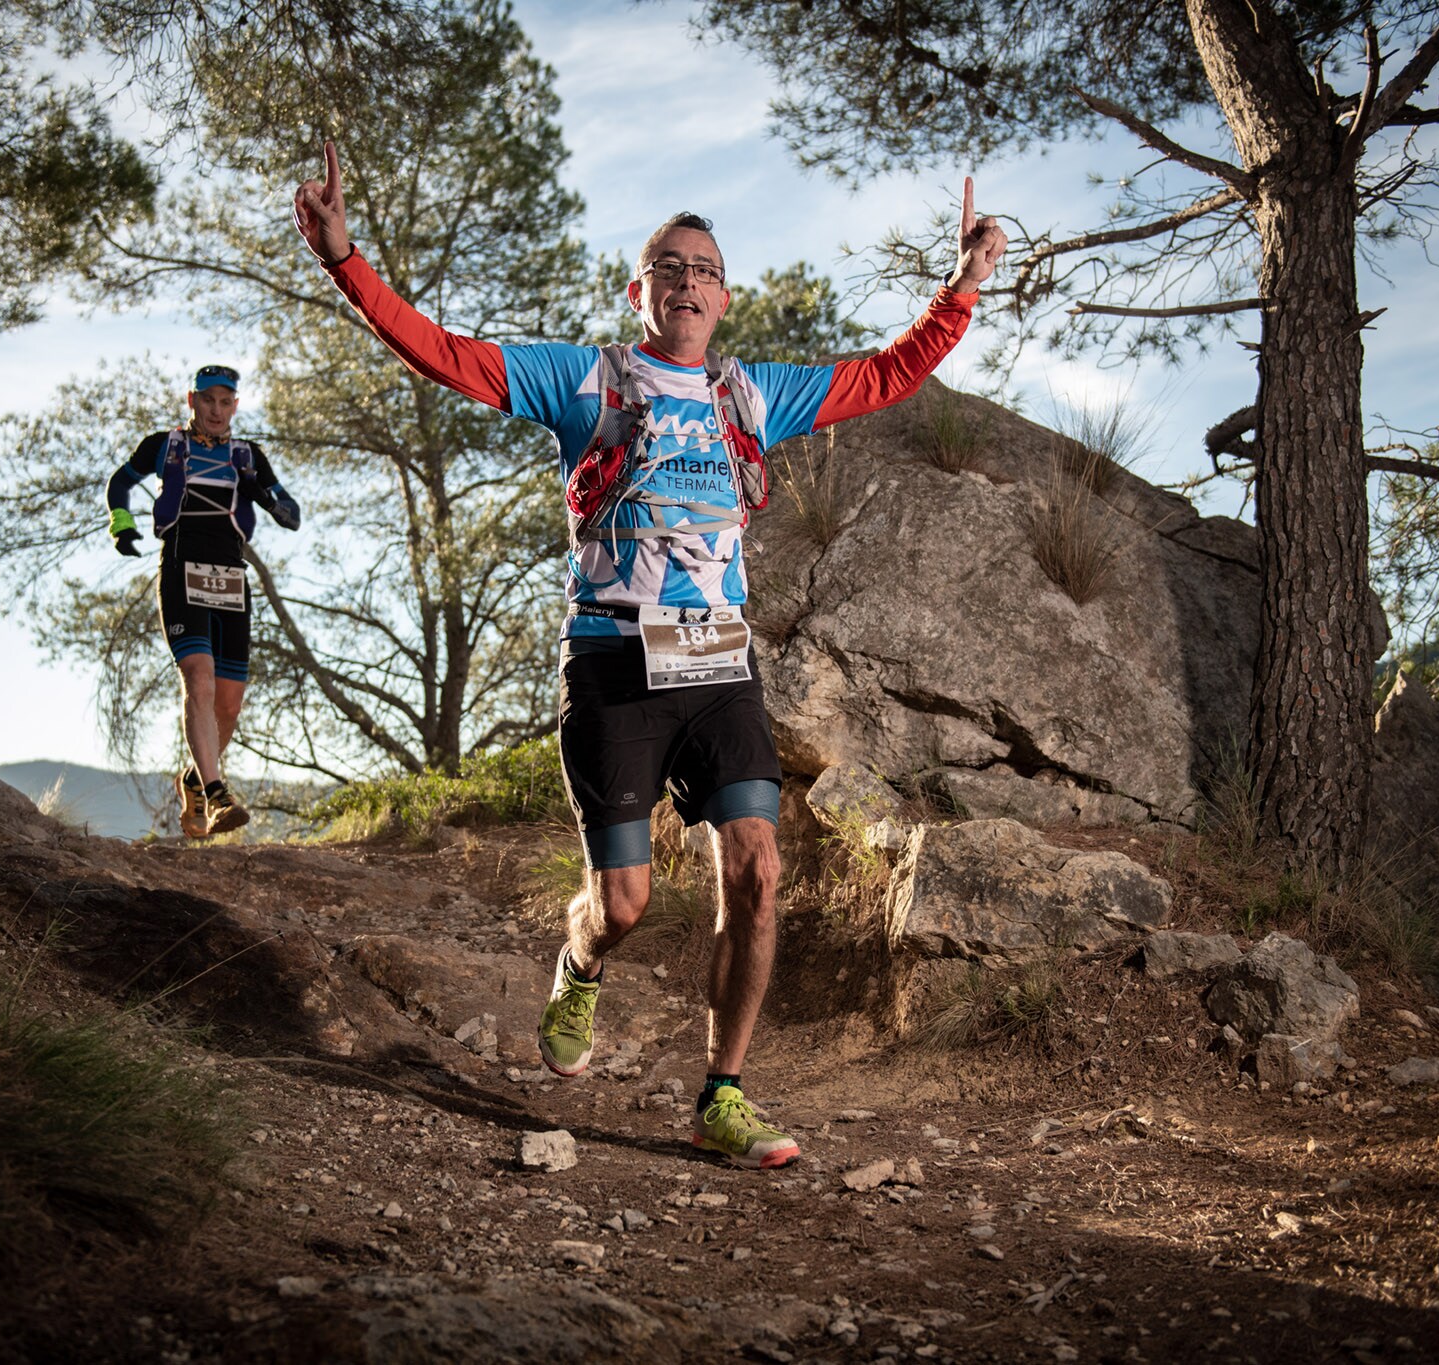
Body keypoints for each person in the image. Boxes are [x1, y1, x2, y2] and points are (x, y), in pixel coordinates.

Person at [294, 141, 1005, 1169]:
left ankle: (722, 1092)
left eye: (705, 270)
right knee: (622, 903)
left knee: (756, 870)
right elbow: (443, 353)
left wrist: (964, 285)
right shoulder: (581, 380)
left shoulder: (751, 396)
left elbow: (888, 373)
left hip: (719, 667)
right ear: (639, 292)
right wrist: (345, 260)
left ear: (723, 300)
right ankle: (579, 962)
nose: (687, 281)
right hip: (612, 664)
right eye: (668, 266)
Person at [105, 364, 300, 838]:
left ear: (236, 405)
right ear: (192, 401)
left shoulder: (247, 455)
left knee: (229, 706)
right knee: (200, 677)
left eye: (225, 401)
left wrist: (267, 496)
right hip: (181, 567)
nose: (216, 410)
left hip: (231, 576)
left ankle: (193, 780)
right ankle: (216, 794)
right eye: (208, 400)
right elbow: (120, 483)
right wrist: (123, 524)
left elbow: (290, 512)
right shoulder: (165, 446)